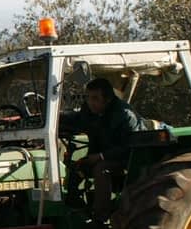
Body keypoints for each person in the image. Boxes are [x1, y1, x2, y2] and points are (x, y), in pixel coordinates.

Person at [61, 77, 144, 220]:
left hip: (127, 159)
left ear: (107, 99)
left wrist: (101, 156)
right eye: (87, 97)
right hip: (101, 155)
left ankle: (100, 217)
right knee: (76, 165)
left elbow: (130, 146)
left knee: (101, 169)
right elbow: (77, 120)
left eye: (95, 98)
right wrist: (57, 120)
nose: (90, 102)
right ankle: (74, 207)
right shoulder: (88, 110)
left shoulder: (125, 115)